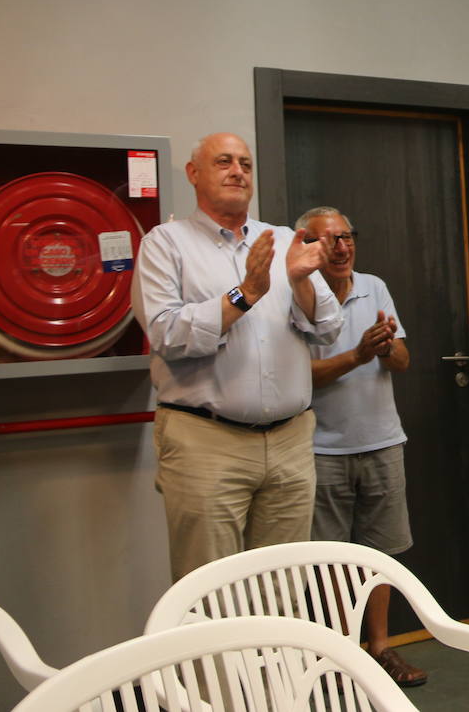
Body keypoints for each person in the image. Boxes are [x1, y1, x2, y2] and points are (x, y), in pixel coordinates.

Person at [132, 132, 343, 581]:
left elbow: (329, 327)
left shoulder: (285, 240)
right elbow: (166, 333)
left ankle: (278, 656)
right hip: (205, 441)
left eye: (245, 164)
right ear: (194, 174)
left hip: (289, 441)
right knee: (211, 589)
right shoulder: (166, 244)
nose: (238, 172)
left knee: (284, 586)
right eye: (224, 162)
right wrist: (244, 295)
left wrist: (302, 281)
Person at [298, 206, 423, 688]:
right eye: (331, 239)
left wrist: (387, 347)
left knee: (382, 554)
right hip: (322, 448)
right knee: (331, 559)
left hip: (382, 442)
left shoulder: (375, 286)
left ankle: (381, 649)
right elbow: (298, 378)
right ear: (309, 244)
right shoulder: (300, 294)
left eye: (348, 237)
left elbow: (403, 360)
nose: (343, 247)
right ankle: (341, 656)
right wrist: (357, 355)